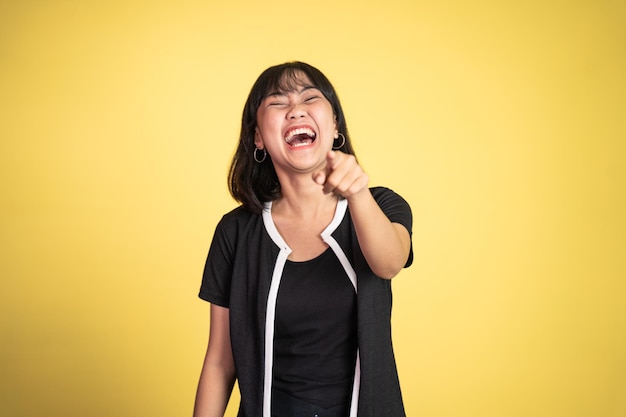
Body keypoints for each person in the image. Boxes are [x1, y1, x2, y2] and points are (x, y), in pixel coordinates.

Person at [193, 61, 413, 417]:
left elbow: (388, 263)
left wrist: (357, 192)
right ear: (258, 138)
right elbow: (220, 362)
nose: (296, 110)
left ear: (335, 125)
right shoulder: (235, 231)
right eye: (277, 103)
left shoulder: (381, 204)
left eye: (310, 98)